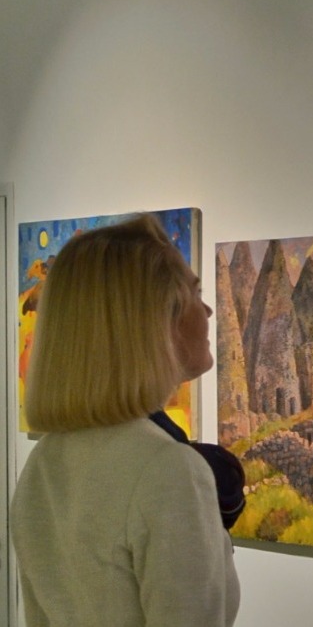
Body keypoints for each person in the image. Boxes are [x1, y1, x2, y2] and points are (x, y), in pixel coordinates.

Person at [11, 214, 239, 626]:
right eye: (195, 293)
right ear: (156, 318)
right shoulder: (168, 469)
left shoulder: (43, 462)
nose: (206, 309)